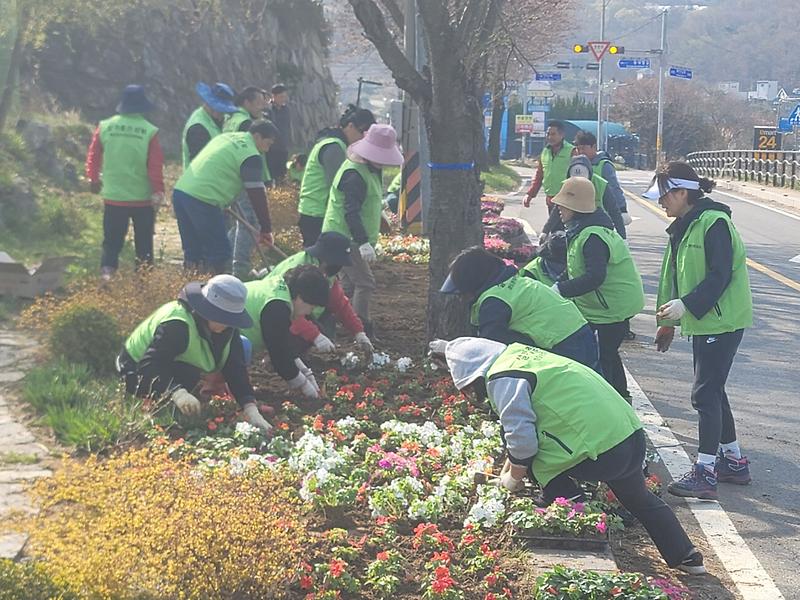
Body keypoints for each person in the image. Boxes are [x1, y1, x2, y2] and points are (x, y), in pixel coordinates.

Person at [428, 337, 706, 575]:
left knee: (527, 454)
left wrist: (511, 479)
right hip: (628, 435)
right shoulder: (520, 355)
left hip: (602, 450)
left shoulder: (503, 376)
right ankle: (686, 555)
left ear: (473, 376)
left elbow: (522, 442)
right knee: (638, 498)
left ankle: (568, 501)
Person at [645, 161, 753, 500]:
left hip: (720, 320)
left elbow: (719, 276)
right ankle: (733, 461)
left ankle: (705, 472)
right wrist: (668, 323)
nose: (660, 202)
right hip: (706, 320)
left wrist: (686, 305)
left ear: (681, 192)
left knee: (703, 394)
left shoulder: (713, 223)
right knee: (714, 391)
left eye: (664, 195)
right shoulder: (685, 225)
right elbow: (672, 278)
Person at [117, 274, 273, 435]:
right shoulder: (178, 324)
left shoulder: (227, 328)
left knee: (189, 374)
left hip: (172, 364)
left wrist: (250, 407)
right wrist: (176, 392)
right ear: (208, 311)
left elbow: (235, 369)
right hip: (135, 369)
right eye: (224, 318)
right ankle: (153, 403)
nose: (228, 324)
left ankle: (169, 397)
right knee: (175, 383)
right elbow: (149, 365)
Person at [551, 177, 644, 400]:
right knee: (608, 354)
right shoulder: (582, 230)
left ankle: (617, 404)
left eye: (563, 205)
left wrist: (560, 290)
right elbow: (576, 268)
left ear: (576, 207)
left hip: (612, 306)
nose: (559, 209)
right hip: (603, 305)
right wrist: (555, 285)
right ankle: (621, 399)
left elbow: (595, 277)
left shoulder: (593, 236)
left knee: (605, 356)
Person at [440, 246, 599, 371]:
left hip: (563, 344)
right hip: (577, 332)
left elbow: (491, 350)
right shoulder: (511, 283)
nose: (461, 298)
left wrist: (452, 353)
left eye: (462, 292)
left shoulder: (494, 302)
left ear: (473, 283)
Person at [321, 123, 403, 335]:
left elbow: (368, 202)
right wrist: (363, 242)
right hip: (345, 237)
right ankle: (359, 328)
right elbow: (351, 212)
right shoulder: (354, 174)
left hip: (347, 236)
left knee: (347, 285)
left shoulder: (369, 169)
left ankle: (336, 322)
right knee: (365, 283)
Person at [172, 120, 278, 274]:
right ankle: (219, 292)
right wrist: (266, 229)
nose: (267, 150)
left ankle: (190, 289)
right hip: (203, 200)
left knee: (193, 252)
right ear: (257, 136)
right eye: (268, 144)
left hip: (181, 193)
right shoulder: (251, 155)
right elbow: (257, 195)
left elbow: (220, 166)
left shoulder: (227, 137)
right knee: (219, 254)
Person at [85, 85, 164, 280]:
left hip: (114, 196)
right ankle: (143, 285)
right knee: (144, 244)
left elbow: (93, 156)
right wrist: (158, 191)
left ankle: (107, 276)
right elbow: (155, 165)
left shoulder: (105, 126)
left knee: (111, 243)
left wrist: (93, 179)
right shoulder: (149, 130)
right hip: (142, 198)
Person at [266, 231, 374, 354]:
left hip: (299, 313)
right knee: (302, 337)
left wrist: (358, 332)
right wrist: (316, 336)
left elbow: (339, 302)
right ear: (328, 259)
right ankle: (285, 355)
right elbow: (290, 314)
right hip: (276, 315)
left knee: (326, 321)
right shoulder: (299, 273)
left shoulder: (325, 273)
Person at [241, 264, 330, 400]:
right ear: (300, 297)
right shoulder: (277, 307)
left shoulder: (282, 291)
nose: (309, 312)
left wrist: (306, 372)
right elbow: (278, 354)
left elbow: (283, 343)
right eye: (311, 306)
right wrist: (303, 384)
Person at [297, 105, 376, 247]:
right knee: (318, 264)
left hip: (316, 211)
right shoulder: (334, 147)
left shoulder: (337, 143)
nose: (363, 139)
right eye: (362, 133)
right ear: (350, 126)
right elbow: (339, 185)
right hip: (317, 213)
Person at [223, 87, 273, 278]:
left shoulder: (231, 119)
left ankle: (228, 261)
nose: (263, 106)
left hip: (232, 177)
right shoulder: (246, 124)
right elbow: (250, 157)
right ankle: (240, 269)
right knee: (248, 222)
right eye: (259, 102)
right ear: (247, 102)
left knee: (238, 224)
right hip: (244, 178)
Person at [541, 154, 626, 240]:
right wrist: (545, 231)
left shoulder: (601, 185)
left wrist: (622, 237)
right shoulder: (568, 185)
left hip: (598, 224)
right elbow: (559, 207)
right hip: (574, 226)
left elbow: (614, 211)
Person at [573, 130, 630, 234]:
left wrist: (622, 209)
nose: (580, 152)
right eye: (578, 148)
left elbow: (614, 188)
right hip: (580, 214)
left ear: (594, 147)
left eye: (583, 148)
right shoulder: (577, 166)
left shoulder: (604, 165)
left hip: (601, 216)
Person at [182, 81, 237, 168]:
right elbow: (201, 163)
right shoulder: (198, 128)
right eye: (220, 109)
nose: (223, 113)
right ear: (209, 105)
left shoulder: (216, 119)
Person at [523, 121, 573, 215]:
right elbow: (539, 175)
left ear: (562, 135)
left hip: (567, 201)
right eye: (548, 134)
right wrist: (530, 194)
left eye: (553, 134)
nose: (550, 137)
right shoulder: (545, 151)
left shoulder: (572, 151)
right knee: (553, 229)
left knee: (561, 228)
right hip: (550, 200)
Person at [264, 83, 291, 183]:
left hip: (282, 148)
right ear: (274, 96)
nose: (283, 99)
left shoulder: (286, 110)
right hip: (271, 148)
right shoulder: (267, 110)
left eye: (285, 96)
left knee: (282, 176)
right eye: (281, 97)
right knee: (271, 175)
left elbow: (287, 127)